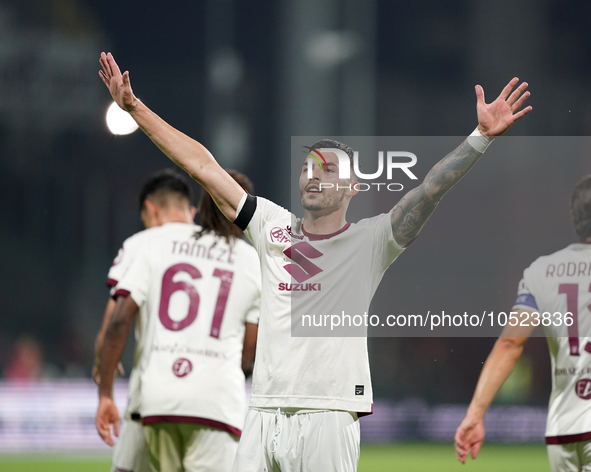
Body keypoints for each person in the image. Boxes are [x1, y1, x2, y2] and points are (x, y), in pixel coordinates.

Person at [98, 51, 532, 471]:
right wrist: (135, 108)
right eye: (308, 167)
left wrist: (480, 139)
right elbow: (204, 167)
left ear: (351, 187)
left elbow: (429, 191)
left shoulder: (372, 240)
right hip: (264, 408)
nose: (312, 176)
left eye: (326, 170)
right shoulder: (270, 225)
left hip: (330, 411)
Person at [95, 168, 261, 472]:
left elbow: (116, 322)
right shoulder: (252, 260)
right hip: (217, 401)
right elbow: (249, 359)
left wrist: (104, 387)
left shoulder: (151, 242)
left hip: (155, 397)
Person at [455, 175, 591, 472]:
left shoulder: (542, 271)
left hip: (563, 431)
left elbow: (509, 344)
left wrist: (476, 413)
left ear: (575, 218)